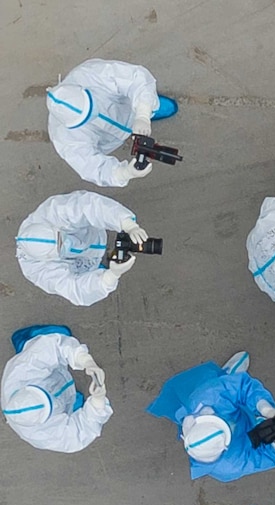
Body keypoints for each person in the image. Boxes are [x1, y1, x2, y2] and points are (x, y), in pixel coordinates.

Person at [146, 351, 275, 483]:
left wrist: (265, 408)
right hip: (247, 435)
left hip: (233, 408)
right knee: (227, 390)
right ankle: (228, 378)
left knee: (223, 385)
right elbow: (261, 459)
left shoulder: (207, 398)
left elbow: (241, 388)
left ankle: (226, 376)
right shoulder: (230, 466)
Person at [46, 58, 179, 187]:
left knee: (144, 100)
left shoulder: (90, 74)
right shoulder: (64, 138)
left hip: (125, 107)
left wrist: (143, 114)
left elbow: (135, 79)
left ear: (84, 91)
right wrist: (123, 173)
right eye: (86, 119)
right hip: (108, 138)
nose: (93, 116)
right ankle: (143, 110)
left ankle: (146, 107)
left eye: (91, 108)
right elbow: (90, 167)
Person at [15, 190, 149, 306]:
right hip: (86, 265)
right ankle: (101, 268)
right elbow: (74, 289)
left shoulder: (53, 213)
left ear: (54, 227)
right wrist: (109, 277)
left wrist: (125, 223)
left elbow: (88, 206)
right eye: (60, 247)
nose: (70, 243)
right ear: (48, 258)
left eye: (61, 238)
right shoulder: (39, 271)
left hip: (94, 233)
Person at [1, 325, 112, 453]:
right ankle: (72, 401)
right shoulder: (43, 436)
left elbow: (54, 347)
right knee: (80, 416)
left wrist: (84, 359)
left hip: (50, 375)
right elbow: (81, 434)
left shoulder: (21, 373)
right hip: (61, 391)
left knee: (56, 336)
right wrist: (98, 403)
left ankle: (25, 341)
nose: (53, 400)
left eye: (45, 394)